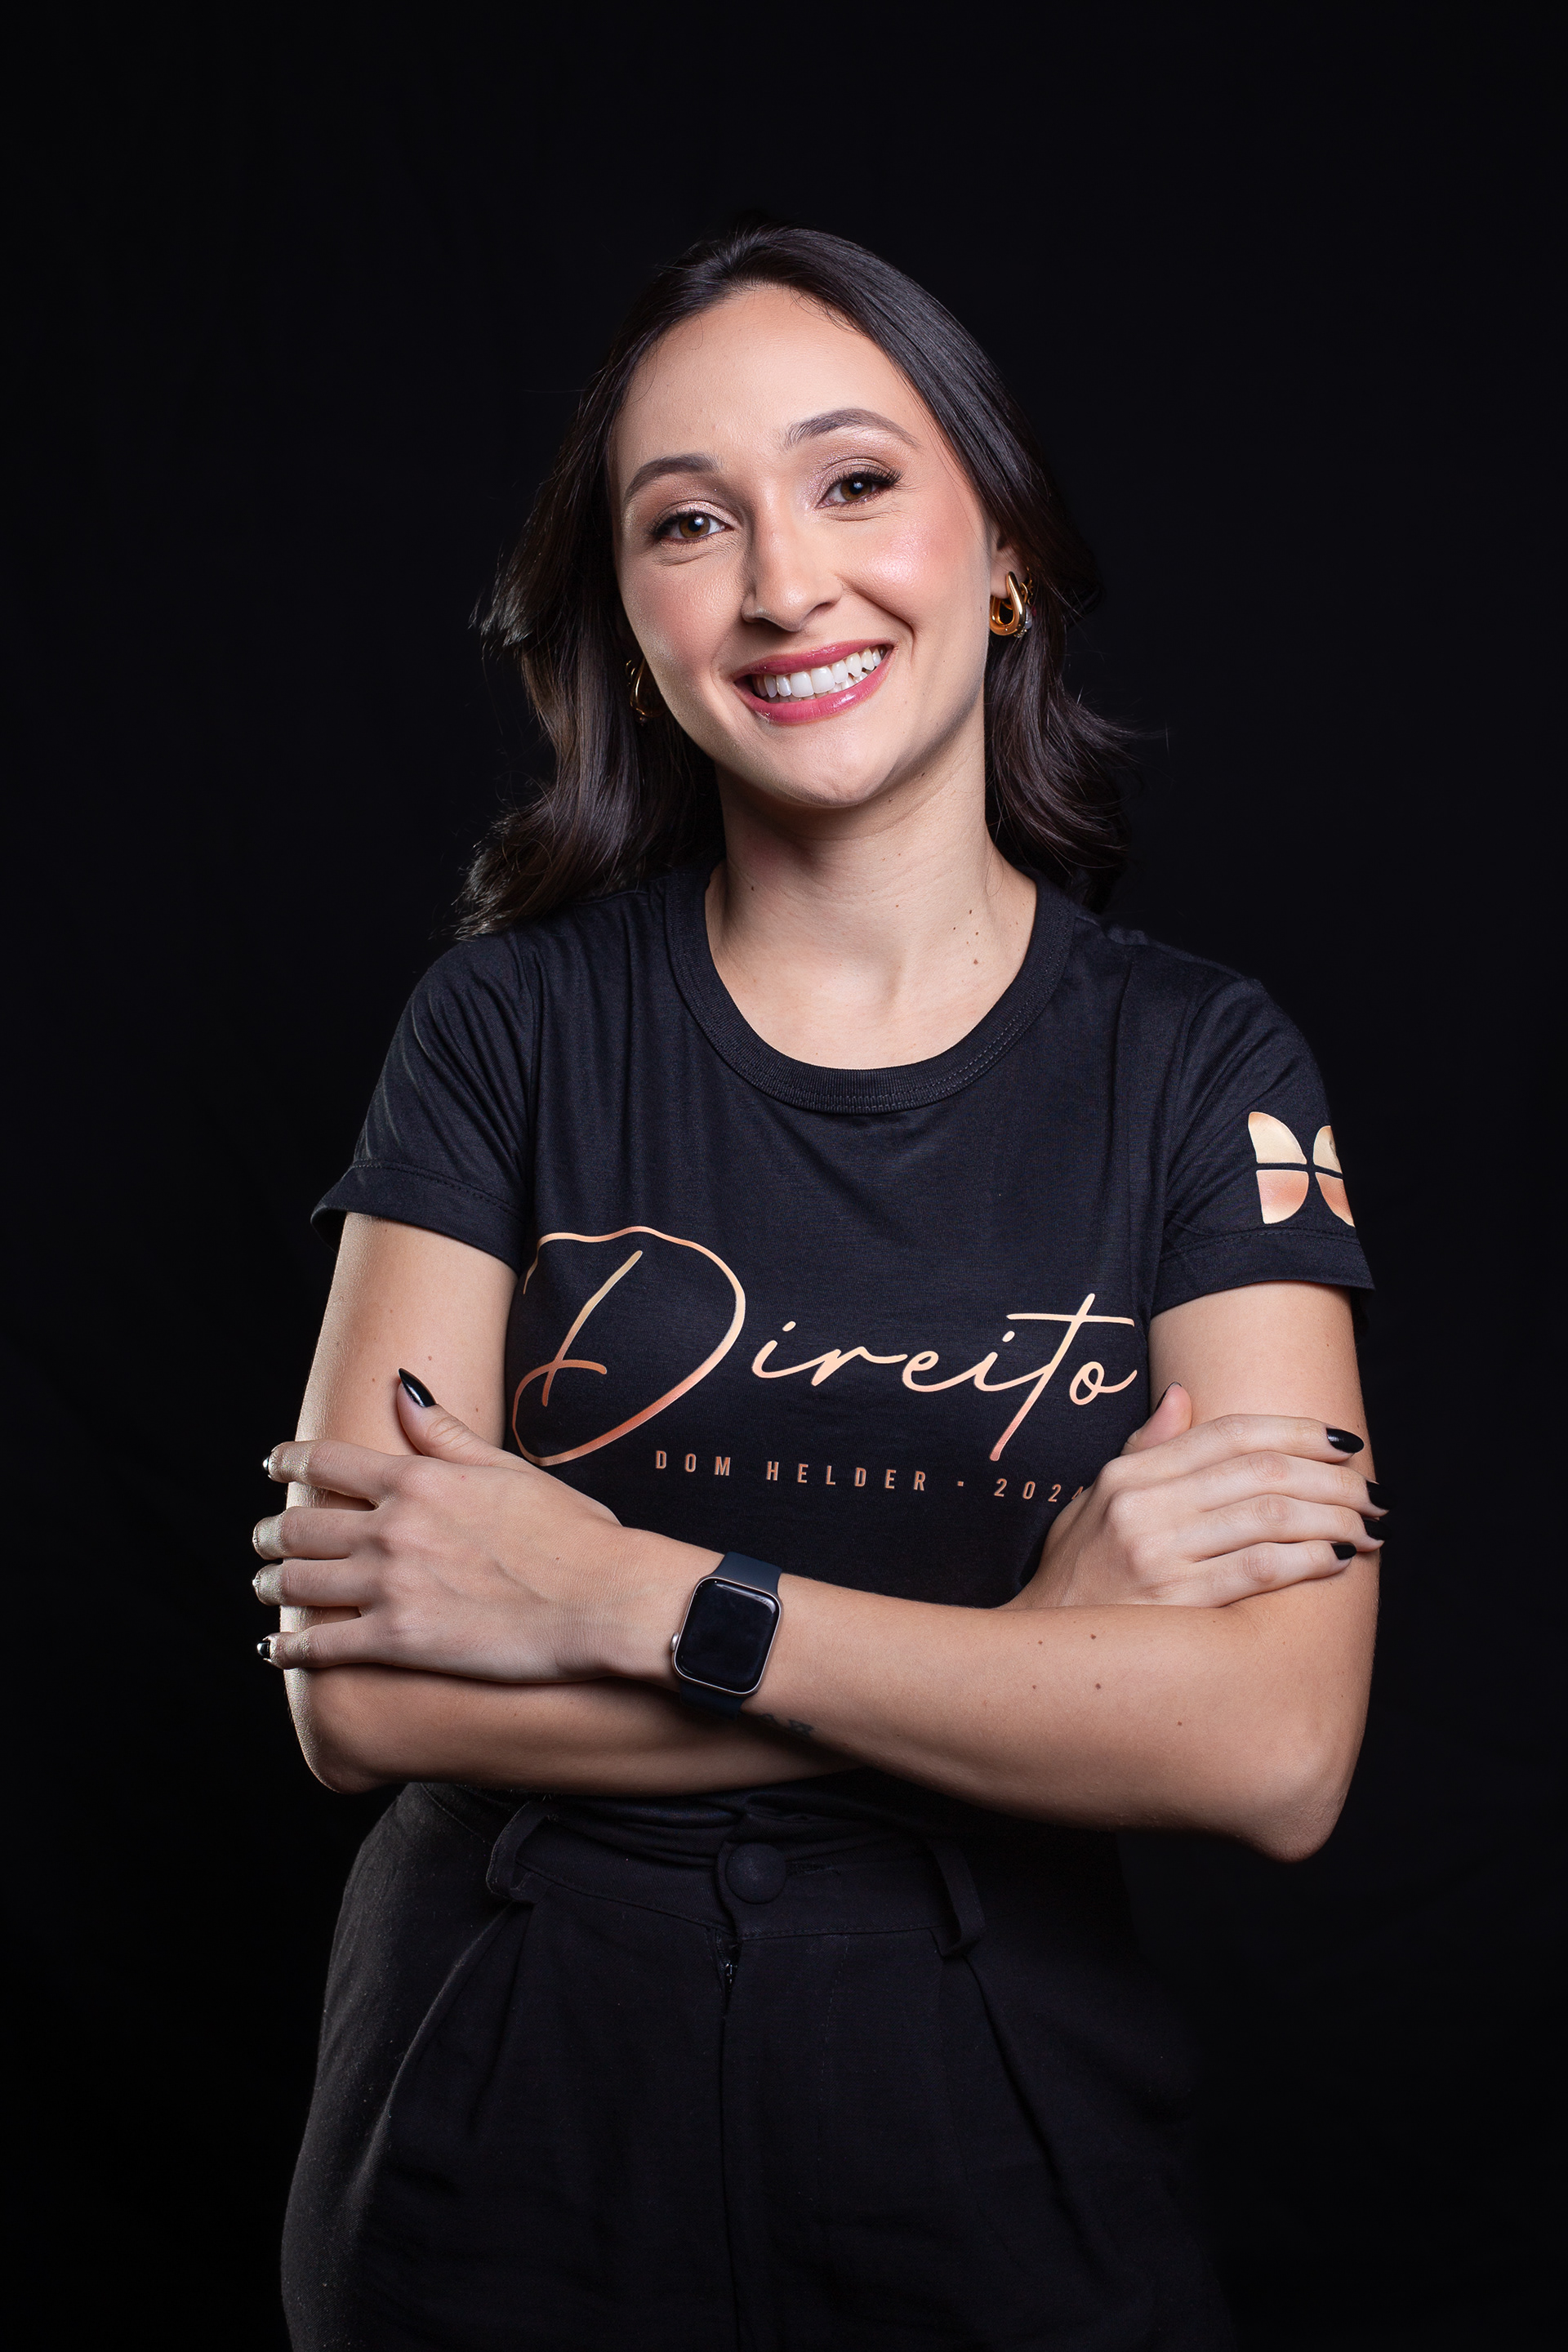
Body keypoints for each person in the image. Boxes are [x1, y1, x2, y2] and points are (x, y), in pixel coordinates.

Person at [260, 223, 1381, 2352]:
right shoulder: (502, 1031)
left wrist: (622, 1596)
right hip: (505, 2114)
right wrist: (1033, 1663)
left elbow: (1273, 1743)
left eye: (856, 481)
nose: (785, 583)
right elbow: (363, 1698)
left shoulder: (1201, 1067)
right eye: (690, 522)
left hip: (998, 2118)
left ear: (1003, 551)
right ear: (630, 620)